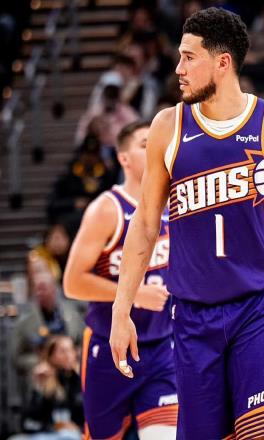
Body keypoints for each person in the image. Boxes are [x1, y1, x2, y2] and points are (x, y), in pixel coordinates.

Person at [109, 8, 264, 440]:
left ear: (222, 62)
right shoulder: (168, 127)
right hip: (192, 317)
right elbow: (146, 224)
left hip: (255, 312)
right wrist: (122, 309)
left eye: (189, 57)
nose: (179, 69)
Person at [63, 121, 177, 440]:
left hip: (162, 347)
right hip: (109, 346)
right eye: (144, 144)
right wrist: (135, 294)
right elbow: (72, 283)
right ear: (124, 158)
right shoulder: (107, 209)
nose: (155, 149)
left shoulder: (173, 204)